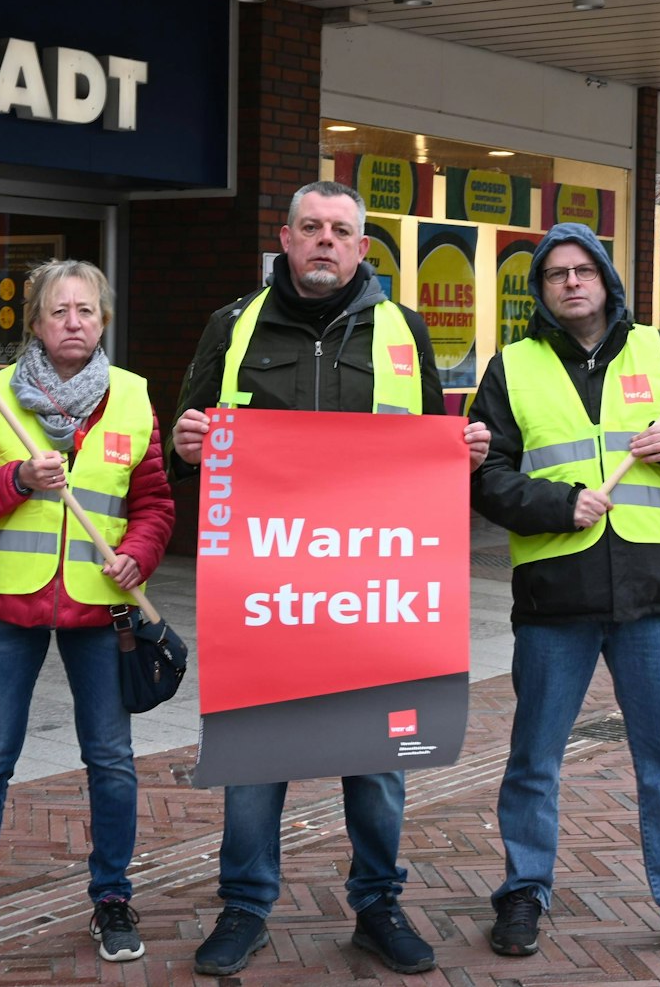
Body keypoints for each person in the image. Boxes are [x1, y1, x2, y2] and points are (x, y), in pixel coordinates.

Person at [169, 180, 490, 978]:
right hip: (265, 589)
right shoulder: (232, 324)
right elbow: (186, 448)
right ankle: (245, 906)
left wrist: (461, 455)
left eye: (340, 230)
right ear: (284, 238)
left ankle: (378, 905)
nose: (324, 240)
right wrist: (185, 446)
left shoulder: (405, 330)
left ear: (361, 246)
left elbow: (429, 453)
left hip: (372, 589)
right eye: (310, 227)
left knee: (377, 758)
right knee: (254, 755)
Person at [467, 223, 660, 966]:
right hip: (554, 596)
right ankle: (523, 892)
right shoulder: (512, 367)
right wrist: (559, 504)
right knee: (534, 759)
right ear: (540, 290)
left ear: (606, 280)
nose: (571, 282)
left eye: (583, 270)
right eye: (555, 273)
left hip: (651, 593)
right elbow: (486, 479)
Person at [0, 259, 175, 972]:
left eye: (86, 310)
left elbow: (154, 503)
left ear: (103, 320)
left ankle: (113, 897)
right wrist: (17, 479)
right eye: (60, 310)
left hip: (102, 612)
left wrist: (137, 555)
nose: (74, 322)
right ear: (34, 322)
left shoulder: (133, 396)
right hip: (5, 608)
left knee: (112, 761)